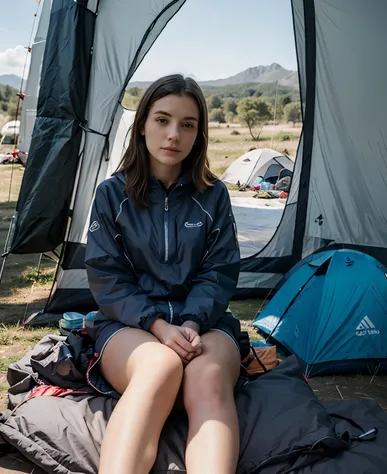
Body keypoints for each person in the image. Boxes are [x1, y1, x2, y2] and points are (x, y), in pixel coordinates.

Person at [84, 74, 242, 474]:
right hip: (130, 325)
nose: (173, 134)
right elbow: (107, 277)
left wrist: (191, 320)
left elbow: (219, 271)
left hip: (203, 324)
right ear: (142, 125)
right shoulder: (110, 194)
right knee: (160, 366)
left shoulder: (214, 195)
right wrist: (157, 325)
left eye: (187, 124)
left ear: (198, 134)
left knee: (206, 376)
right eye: (162, 119)